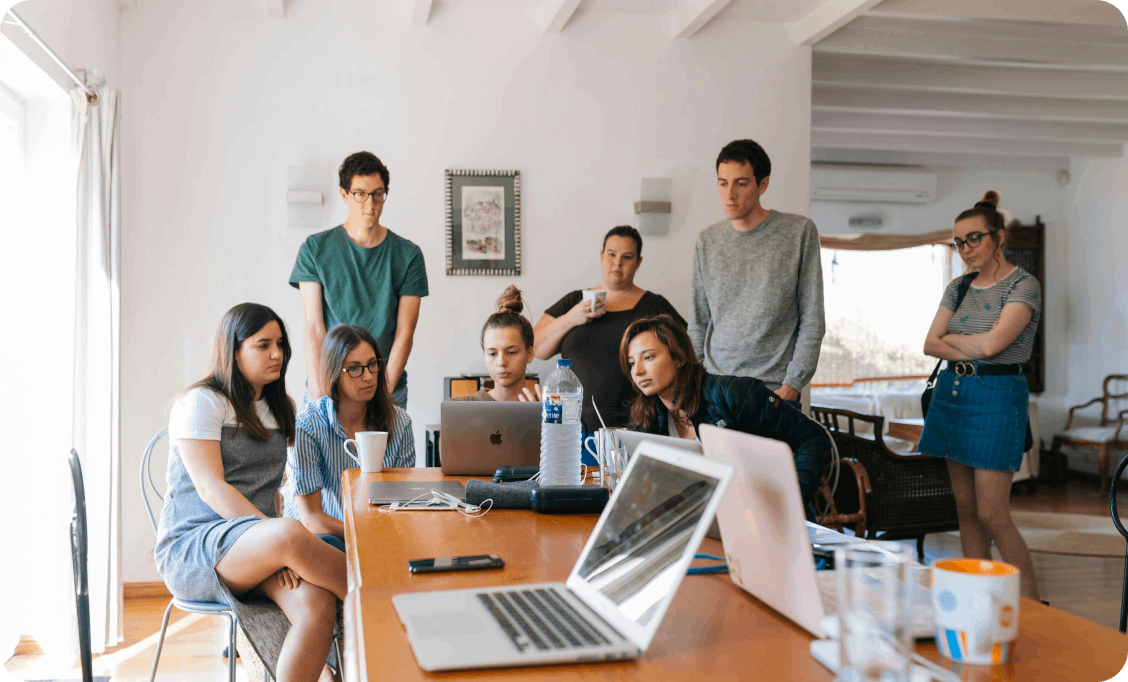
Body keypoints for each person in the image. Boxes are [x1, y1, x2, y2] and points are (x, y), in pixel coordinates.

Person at [157, 303, 344, 682]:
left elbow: (271, 491)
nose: (277, 354)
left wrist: (277, 547)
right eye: (263, 345)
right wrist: (278, 542)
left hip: (258, 548)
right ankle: (383, 599)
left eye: (281, 344)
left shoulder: (279, 407)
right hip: (195, 548)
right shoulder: (201, 402)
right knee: (292, 533)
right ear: (234, 349)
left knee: (317, 604)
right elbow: (211, 488)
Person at [920, 191, 1041, 600]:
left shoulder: (1024, 285)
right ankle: (980, 601)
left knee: (992, 513)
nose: (966, 248)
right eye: (958, 242)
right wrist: (971, 343)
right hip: (953, 394)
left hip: (998, 398)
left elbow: (993, 346)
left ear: (998, 237)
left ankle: (1032, 605)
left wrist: (955, 339)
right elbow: (930, 344)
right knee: (967, 512)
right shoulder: (958, 286)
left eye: (974, 238)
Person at [619, 314, 832, 511]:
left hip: (762, 516)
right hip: (704, 518)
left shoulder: (734, 394)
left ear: (679, 358)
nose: (637, 371)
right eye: (631, 363)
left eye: (648, 357)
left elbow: (813, 437)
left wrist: (790, 500)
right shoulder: (647, 417)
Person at [689, 139, 825, 407]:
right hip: (715, 390)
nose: (729, 194)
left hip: (774, 392)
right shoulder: (707, 241)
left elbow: (812, 318)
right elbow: (698, 321)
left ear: (762, 185)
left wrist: (792, 385)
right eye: (722, 183)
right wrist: (696, 381)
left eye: (741, 184)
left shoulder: (798, 232)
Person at [290, 152, 428, 410]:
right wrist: (319, 393)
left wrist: (384, 394)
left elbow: (405, 333)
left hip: (386, 385)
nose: (370, 204)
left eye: (378, 194)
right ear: (344, 195)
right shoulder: (315, 249)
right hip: (330, 384)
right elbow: (314, 327)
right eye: (360, 194)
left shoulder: (408, 255)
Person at [534, 226, 686, 455]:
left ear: (638, 262)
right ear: (601, 256)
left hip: (641, 428)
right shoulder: (575, 301)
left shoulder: (654, 305)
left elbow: (685, 356)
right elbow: (536, 348)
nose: (617, 263)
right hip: (574, 431)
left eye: (627, 257)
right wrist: (571, 318)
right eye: (612, 254)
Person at [284, 325, 415, 551]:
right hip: (322, 538)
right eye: (354, 368)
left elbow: (402, 502)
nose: (368, 376)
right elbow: (312, 518)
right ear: (334, 373)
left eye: (372, 364)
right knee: (331, 544)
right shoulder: (307, 426)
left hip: (379, 533)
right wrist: (364, 534)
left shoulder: (400, 422)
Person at [453, 285, 542, 402]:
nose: (501, 362)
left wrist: (540, 413)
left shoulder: (548, 407)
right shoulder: (460, 406)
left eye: (511, 352)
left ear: (529, 354)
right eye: (492, 354)